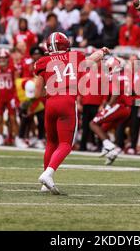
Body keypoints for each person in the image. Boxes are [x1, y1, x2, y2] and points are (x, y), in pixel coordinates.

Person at [34, 32, 110, 194]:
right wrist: (103, 51)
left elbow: (37, 93)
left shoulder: (42, 61)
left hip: (50, 103)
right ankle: (48, 174)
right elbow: (92, 59)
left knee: (51, 143)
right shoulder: (75, 56)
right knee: (66, 144)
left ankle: (45, 183)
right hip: (67, 102)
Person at [0, 49, 19, 147]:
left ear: (7, 58)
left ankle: (17, 138)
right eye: (0, 58)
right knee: (0, 118)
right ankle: (0, 137)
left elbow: (16, 83)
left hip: (10, 97)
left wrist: (15, 97)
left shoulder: (13, 68)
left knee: (13, 118)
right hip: (0, 96)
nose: (2, 60)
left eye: (4, 58)